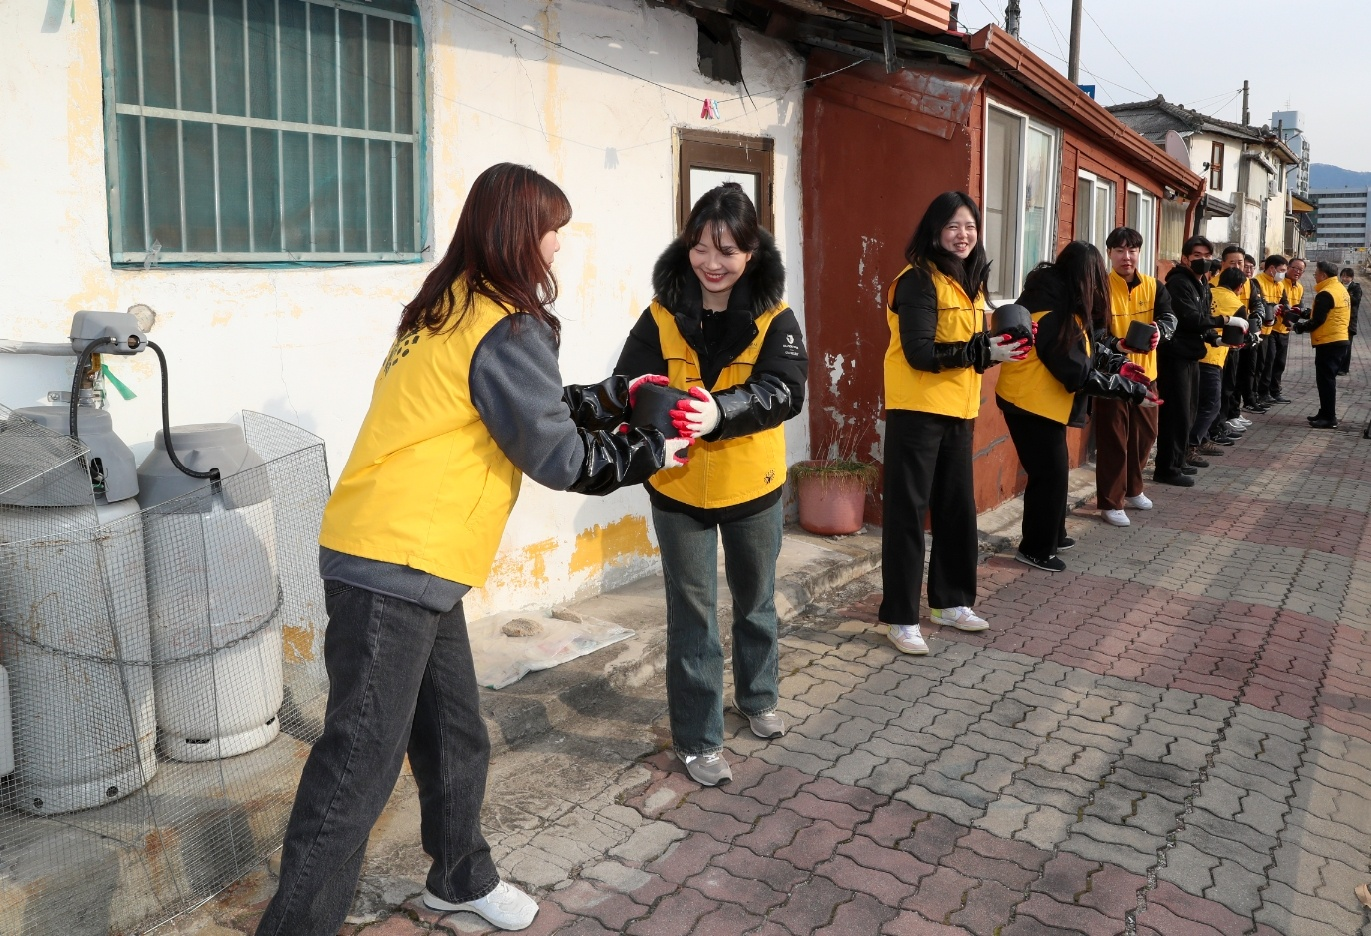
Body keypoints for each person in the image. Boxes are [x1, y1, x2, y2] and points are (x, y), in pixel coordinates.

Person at [257, 164, 685, 936]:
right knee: (358, 765)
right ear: (522, 233)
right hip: (397, 560)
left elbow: (525, 410)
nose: (558, 244)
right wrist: (650, 447)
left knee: (455, 732)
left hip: (411, 557)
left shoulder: (449, 306)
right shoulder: (504, 324)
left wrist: (616, 398)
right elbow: (559, 457)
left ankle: (459, 876)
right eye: (552, 227)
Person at [614, 183, 807, 788]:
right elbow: (627, 382)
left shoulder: (776, 315)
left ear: (751, 251)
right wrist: (641, 404)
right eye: (701, 246)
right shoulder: (661, 312)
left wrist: (722, 410)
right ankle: (698, 739)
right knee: (691, 615)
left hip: (754, 486)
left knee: (756, 601)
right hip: (678, 490)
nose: (711, 262)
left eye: (726, 249)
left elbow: (786, 390)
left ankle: (758, 695)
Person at [877, 191, 1028, 655]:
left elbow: (967, 343)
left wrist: (999, 340)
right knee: (907, 515)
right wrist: (985, 352)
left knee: (956, 510)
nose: (962, 236)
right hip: (918, 411)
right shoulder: (918, 281)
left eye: (970, 227)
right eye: (952, 227)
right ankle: (901, 618)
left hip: (959, 413)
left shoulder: (968, 283)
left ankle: (950, 602)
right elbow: (922, 352)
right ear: (934, 231)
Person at [996, 241, 1160, 572]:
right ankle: (1035, 549)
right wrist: (1129, 390)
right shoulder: (1054, 313)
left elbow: (1085, 350)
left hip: (1039, 401)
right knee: (1050, 476)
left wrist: (1119, 364)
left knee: (1053, 474)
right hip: (1029, 403)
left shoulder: (1059, 302)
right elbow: (1076, 371)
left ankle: (1052, 535)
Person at [1094, 226, 1176, 527]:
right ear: (1110, 254)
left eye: (1132, 250)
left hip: (1147, 374)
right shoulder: (1099, 287)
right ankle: (1110, 501)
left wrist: (1159, 332)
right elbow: (1093, 332)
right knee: (1114, 438)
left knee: (1145, 435)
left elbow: (1169, 317)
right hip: (1112, 378)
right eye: (1119, 251)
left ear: (1139, 253)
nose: (1126, 257)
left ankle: (1133, 490)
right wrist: (1116, 345)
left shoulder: (1155, 286)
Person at [1155, 236, 1216, 487]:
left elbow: (1203, 317)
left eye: (1207, 256)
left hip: (1191, 354)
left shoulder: (1201, 284)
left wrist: (1216, 338)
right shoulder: (1179, 282)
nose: (1203, 261)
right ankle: (1167, 468)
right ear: (1185, 258)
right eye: (1197, 256)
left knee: (1189, 410)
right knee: (1175, 413)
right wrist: (1223, 322)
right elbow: (1189, 318)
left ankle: (1178, 461)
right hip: (1174, 355)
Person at [1293, 259, 1352, 428]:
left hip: (1330, 341)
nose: (1314, 276)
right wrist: (1305, 313)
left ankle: (1329, 417)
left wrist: (1299, 327)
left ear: (1323, 275)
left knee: (1326, 380)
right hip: (1338, 340)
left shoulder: (1326, 293)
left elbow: (1318, 319)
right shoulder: (1339, 289)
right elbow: (1324, 313)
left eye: (1315, 273)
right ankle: (1325, 411)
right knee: (1327, 379)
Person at [1260, 256, 1305, 404]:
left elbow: (1298, 307)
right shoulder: (1279, 283)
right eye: (1294, 268)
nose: (1297, 272)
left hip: (1285, 330)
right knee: (1269, 361)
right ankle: (1264, 392)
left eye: (1301, 270)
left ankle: (1275, 391)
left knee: (1280, 363)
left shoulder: (1300, 287)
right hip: (1272, 329)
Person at [1252, 254, 1290, 407]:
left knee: (1269, 363)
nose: (1283, 274)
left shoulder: (1280, 285)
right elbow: (1258, 303)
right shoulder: (1257, 282)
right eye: (1281, 270)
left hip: (1270, 330)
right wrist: (1270, 307)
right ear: (1272, 268)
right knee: (1258, 366)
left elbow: (1284, 302)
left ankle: (1264, 393)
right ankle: (1256, 395)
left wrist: (1288, 310)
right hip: (1258, 331)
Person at [1337, 267, 1361, 376]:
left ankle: (1344, 368)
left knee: (1347, 345)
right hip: (1338, 319)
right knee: (1338, 345)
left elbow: (1356, 301)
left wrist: (1346, 295)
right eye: (1343, 276)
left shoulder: (1356, 288)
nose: (1345, 278)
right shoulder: (1337, 286)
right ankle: (1336, 366)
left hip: (1350, 321)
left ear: (1352, 278)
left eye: (1347, 276)